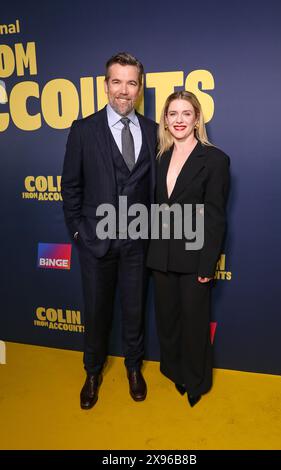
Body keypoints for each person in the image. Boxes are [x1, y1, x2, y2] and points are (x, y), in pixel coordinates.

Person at [61, 52, 157, 409]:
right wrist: (77, 233)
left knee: (134, 310)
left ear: (139, 87)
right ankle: (92, 371)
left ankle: (134, 368)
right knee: (96, 312)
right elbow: (70, 187)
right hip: (95, 243)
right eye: (117, 81)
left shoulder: (152, 130)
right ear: (106, 86)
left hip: (137, 243)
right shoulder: (84, 130)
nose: (124, 90)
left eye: (131, 82)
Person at [147, 91, 230, 407]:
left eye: (185, 113)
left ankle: (196, 381)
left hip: (195, 258)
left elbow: (215, 218)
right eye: (172, 114)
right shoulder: (158, 157)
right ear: (165, 120)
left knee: (195, 324)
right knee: (167, 321)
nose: (179, 120)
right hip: (160, 256)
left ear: (197, 118)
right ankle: (174, 371)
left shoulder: (215, 160)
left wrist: (207, 265)